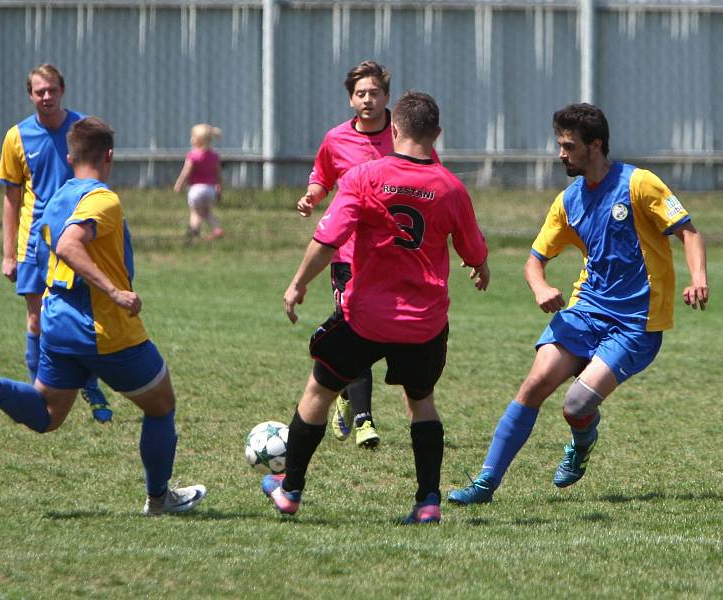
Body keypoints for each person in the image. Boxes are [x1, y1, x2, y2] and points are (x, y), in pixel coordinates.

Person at [448, 103, 709, 506]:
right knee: (534, 385)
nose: (561, 154)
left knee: (577, 404)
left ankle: (582, 441)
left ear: (596, 145)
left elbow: (689, 233)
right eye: (560, 145)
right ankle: (484, 484)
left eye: (569, 146)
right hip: (585, 310)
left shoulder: (639, 184)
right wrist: (540, 288)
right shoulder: (568, 201)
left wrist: (699, 279)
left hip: (636, 322)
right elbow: (534, 261)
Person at [0, 116, 207, 516]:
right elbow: (70, 245)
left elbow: (41, 254)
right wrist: (115, 291)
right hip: (104, 329)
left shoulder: (54, 198)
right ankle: (159, 500)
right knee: (161, 406)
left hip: (58, 325)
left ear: (69, 156)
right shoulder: (103, 199)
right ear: (109, 156)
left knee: (48, 415)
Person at [262, 91, 490, 524]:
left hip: (365, 317)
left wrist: (297, 284)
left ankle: (289, 489)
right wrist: (481, 268)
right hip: (424, 323)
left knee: (319, 392)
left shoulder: (365, 177)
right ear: (437, 134)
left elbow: (327, 240)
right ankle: (428, 502)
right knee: (421, 401)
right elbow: (473, 248)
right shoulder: (451, 187)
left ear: (396, 129)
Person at [298, 60, 428, 449]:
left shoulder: (405, 135)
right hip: (349, 254)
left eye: (374, 93)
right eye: (360, 94)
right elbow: (322, 177)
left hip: (397, 257)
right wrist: (312, 196)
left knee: (389, 335)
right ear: (351, 100)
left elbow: (429, 176)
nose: (367, 99)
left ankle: (342, 391)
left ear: (387, 96)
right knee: (354, 327)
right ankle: (364, 420)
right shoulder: (335, 139)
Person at [0, 63, 112, 422]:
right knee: (37, 321)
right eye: (38, 91)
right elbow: (11, 199)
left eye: (51, 90)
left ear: (62, 90)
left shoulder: (81, 130)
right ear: (30, 95)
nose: (46, 97)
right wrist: (7, 254)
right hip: (35, 243)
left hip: (76, 239)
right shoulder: (16, 137)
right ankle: (37, 393)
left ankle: (90, 382)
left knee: (82, 316)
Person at [173, 124, 223, 241]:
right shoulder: (214, 156)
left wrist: (179, 184)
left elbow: (186, 172)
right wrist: (220, 188)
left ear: (196, 140)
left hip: (196, 189)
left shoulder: (193, 155)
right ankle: (216, 229)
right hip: (210, 190)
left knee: (195, 212)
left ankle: (194, 231)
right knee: (206, 211)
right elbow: (218, 174)